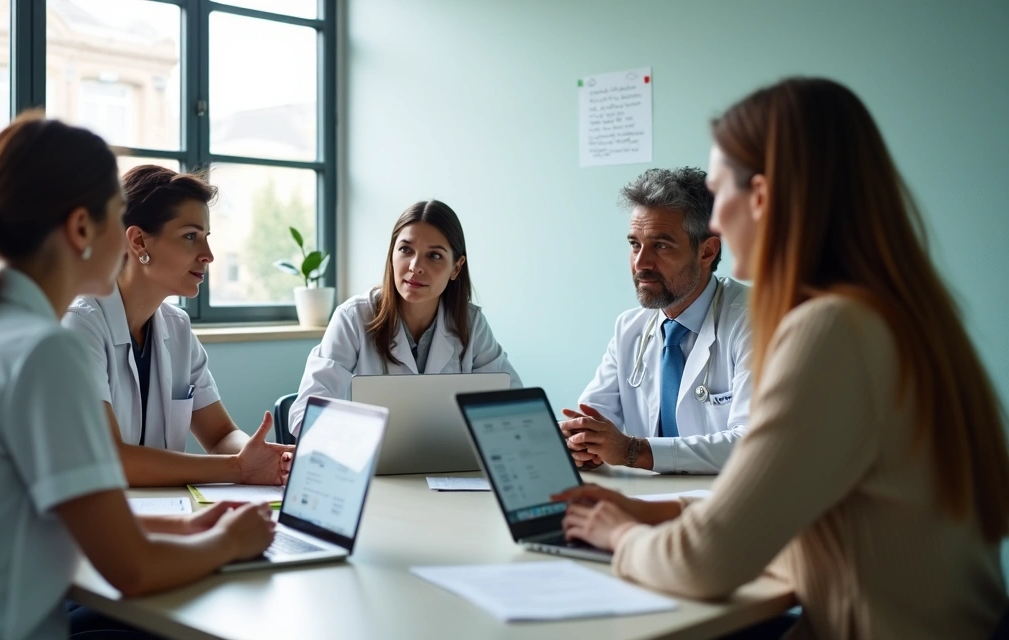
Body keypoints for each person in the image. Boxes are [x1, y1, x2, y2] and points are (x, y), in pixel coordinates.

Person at [555, 78, 1009, 639]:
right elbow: (803, 520)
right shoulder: (902, 318)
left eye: (720, 197)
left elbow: (705, 563)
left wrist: (618, 536)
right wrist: (663, 513)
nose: (714, 225)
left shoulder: (830, 331)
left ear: (763, 198)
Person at [0, 113, 275, 640]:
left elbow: (51, 514)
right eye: (115, 215)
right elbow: (134, 569)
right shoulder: (43, 351)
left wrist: (189, 527)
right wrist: (230, 543)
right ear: (83, 227)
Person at [63, 165, 292, 488]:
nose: (208, 255)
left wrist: (256, 457)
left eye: (206, 238)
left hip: (158, 512)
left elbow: (221, 434)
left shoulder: (177, 327)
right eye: (190, 237)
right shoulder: (79, 325)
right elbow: (109, 458)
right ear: (139, 241)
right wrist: (236, 468)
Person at [561, 167, 754, 474]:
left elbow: (752, 445)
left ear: (707, 252)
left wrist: (632, 451)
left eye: (661, 246)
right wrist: (577, 442)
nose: (641, 263)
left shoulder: (754, 321)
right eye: (634, 244)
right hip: (649, 502)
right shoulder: (630, 329)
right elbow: (592, 419)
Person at [289, 199, 521, 436]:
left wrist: (555, 431)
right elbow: (305, 414)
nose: (415, 266)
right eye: (405, 250)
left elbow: (514, 408)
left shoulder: (472, 325)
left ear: (456, 268)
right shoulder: (353, 318)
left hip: (449, 469)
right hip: (369, 467)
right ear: (391, 254)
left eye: (435, 256)